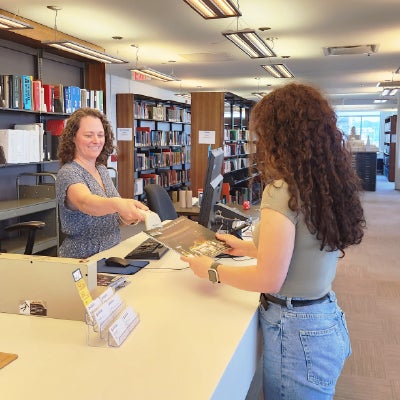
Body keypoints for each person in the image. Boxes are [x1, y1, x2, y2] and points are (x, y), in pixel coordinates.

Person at [181, 83, 366, 399]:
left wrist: (210, 268)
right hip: (324, 317)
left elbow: (269, 278)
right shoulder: (323, 184)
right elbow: (306, 246)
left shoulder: (281, 190)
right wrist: (250, 248)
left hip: (296, 329)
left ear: (280, 135)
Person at [56, 107, 148, 259]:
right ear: (73, 137)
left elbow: (114, 217)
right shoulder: (69, 172)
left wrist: (129, 216)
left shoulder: (102, 170)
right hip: (83, 258)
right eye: (88, 135)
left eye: (100, 135)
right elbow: (86, 202)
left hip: (112, 253)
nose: (96, 141)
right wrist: (119, 204)